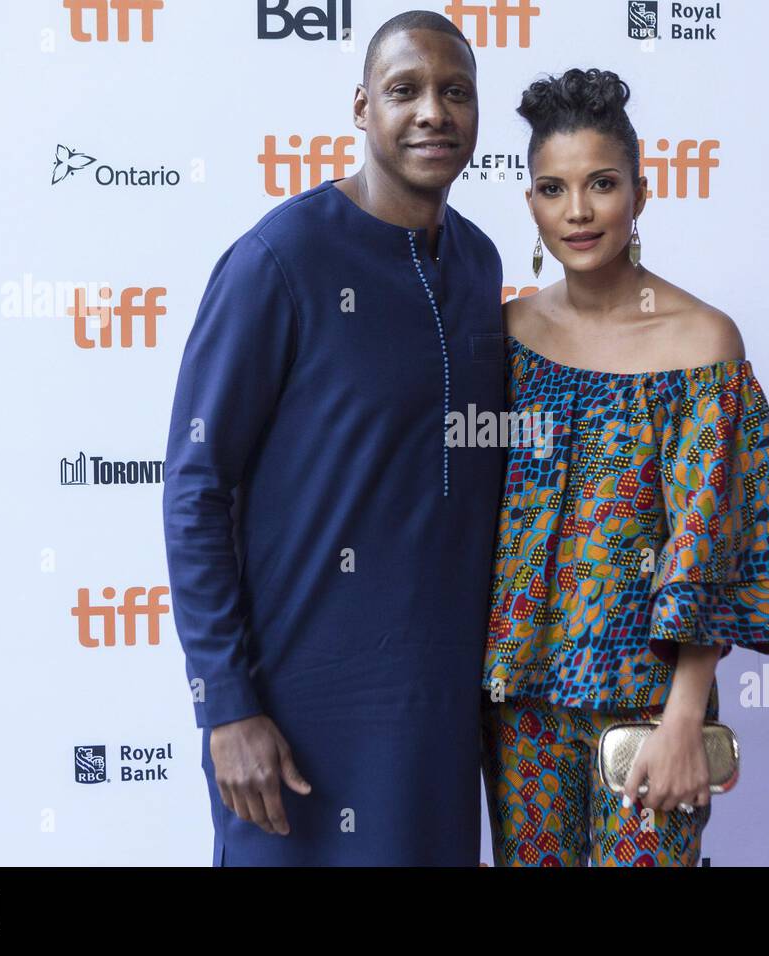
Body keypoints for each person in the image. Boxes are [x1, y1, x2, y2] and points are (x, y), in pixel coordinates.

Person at [162, 11, 505, 865]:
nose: (433, 111)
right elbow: (195, 489)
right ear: (361, 108)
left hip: (436, 718)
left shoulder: (480, 263)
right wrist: (228, 708)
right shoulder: (281, 260)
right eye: (405, 90)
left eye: (455, 92)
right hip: (295, 721)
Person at [481, 68, 769, 866]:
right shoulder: (503, 335)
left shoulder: (702, 342)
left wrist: (684, 718)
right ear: (530, 203)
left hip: (649, 701)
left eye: (602, 184)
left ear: (642, 190)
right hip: (519, 696)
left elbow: (711, 539)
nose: (579, 211)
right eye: (553, 189)